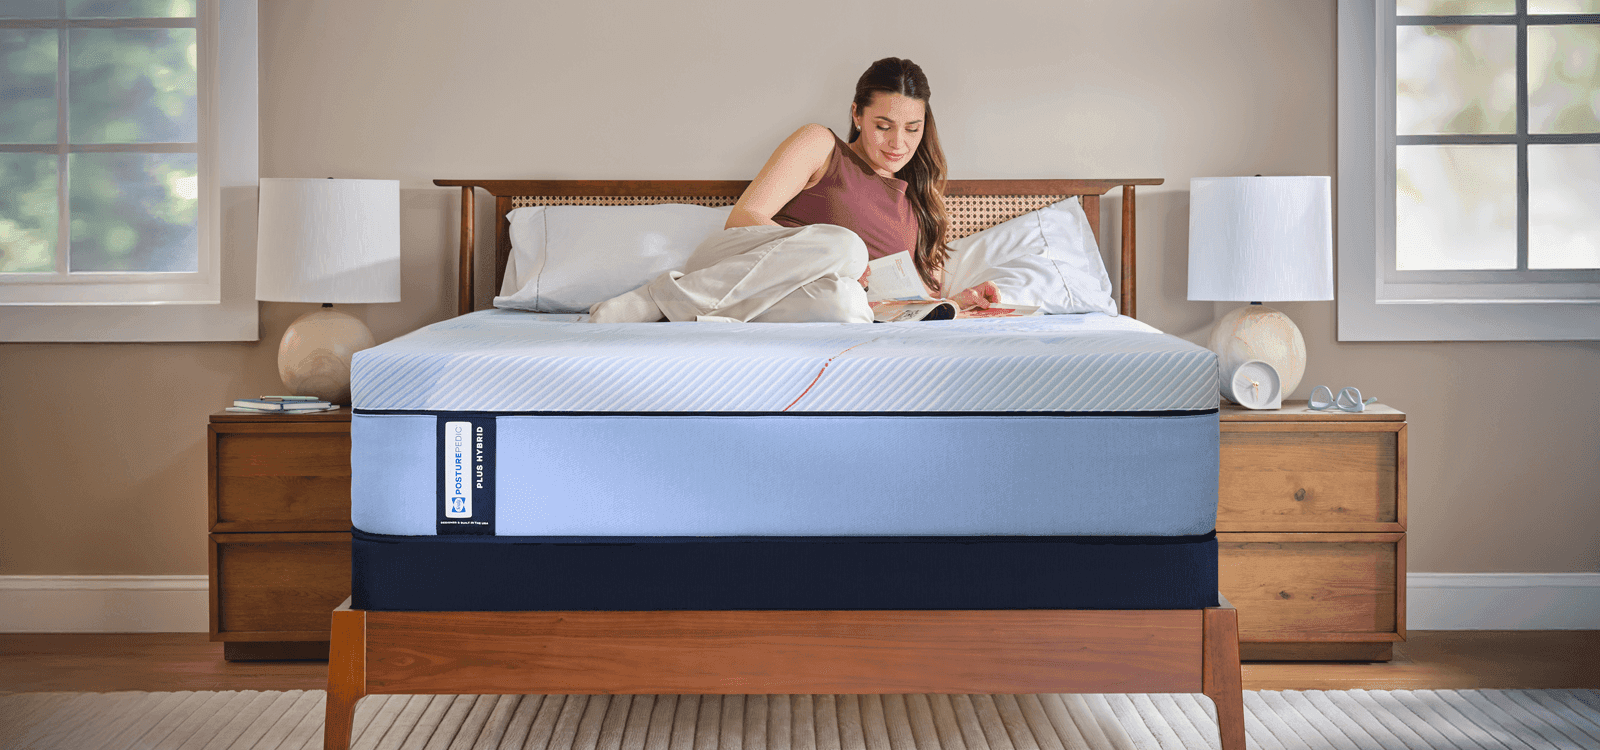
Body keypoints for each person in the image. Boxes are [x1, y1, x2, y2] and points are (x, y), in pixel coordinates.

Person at [588, 57, 1000, 323]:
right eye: (883, 126)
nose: (898, 144)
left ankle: (683, 310)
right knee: (847, 248)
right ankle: (659, 299)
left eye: (913, 129)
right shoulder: (821, 144)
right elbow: (742, 222)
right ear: (857, 114)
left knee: (847, 307)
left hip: (814, 300)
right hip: (737, 263)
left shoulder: (922, 201)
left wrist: (960, 302)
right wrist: (836, 258)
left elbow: (914, 303)